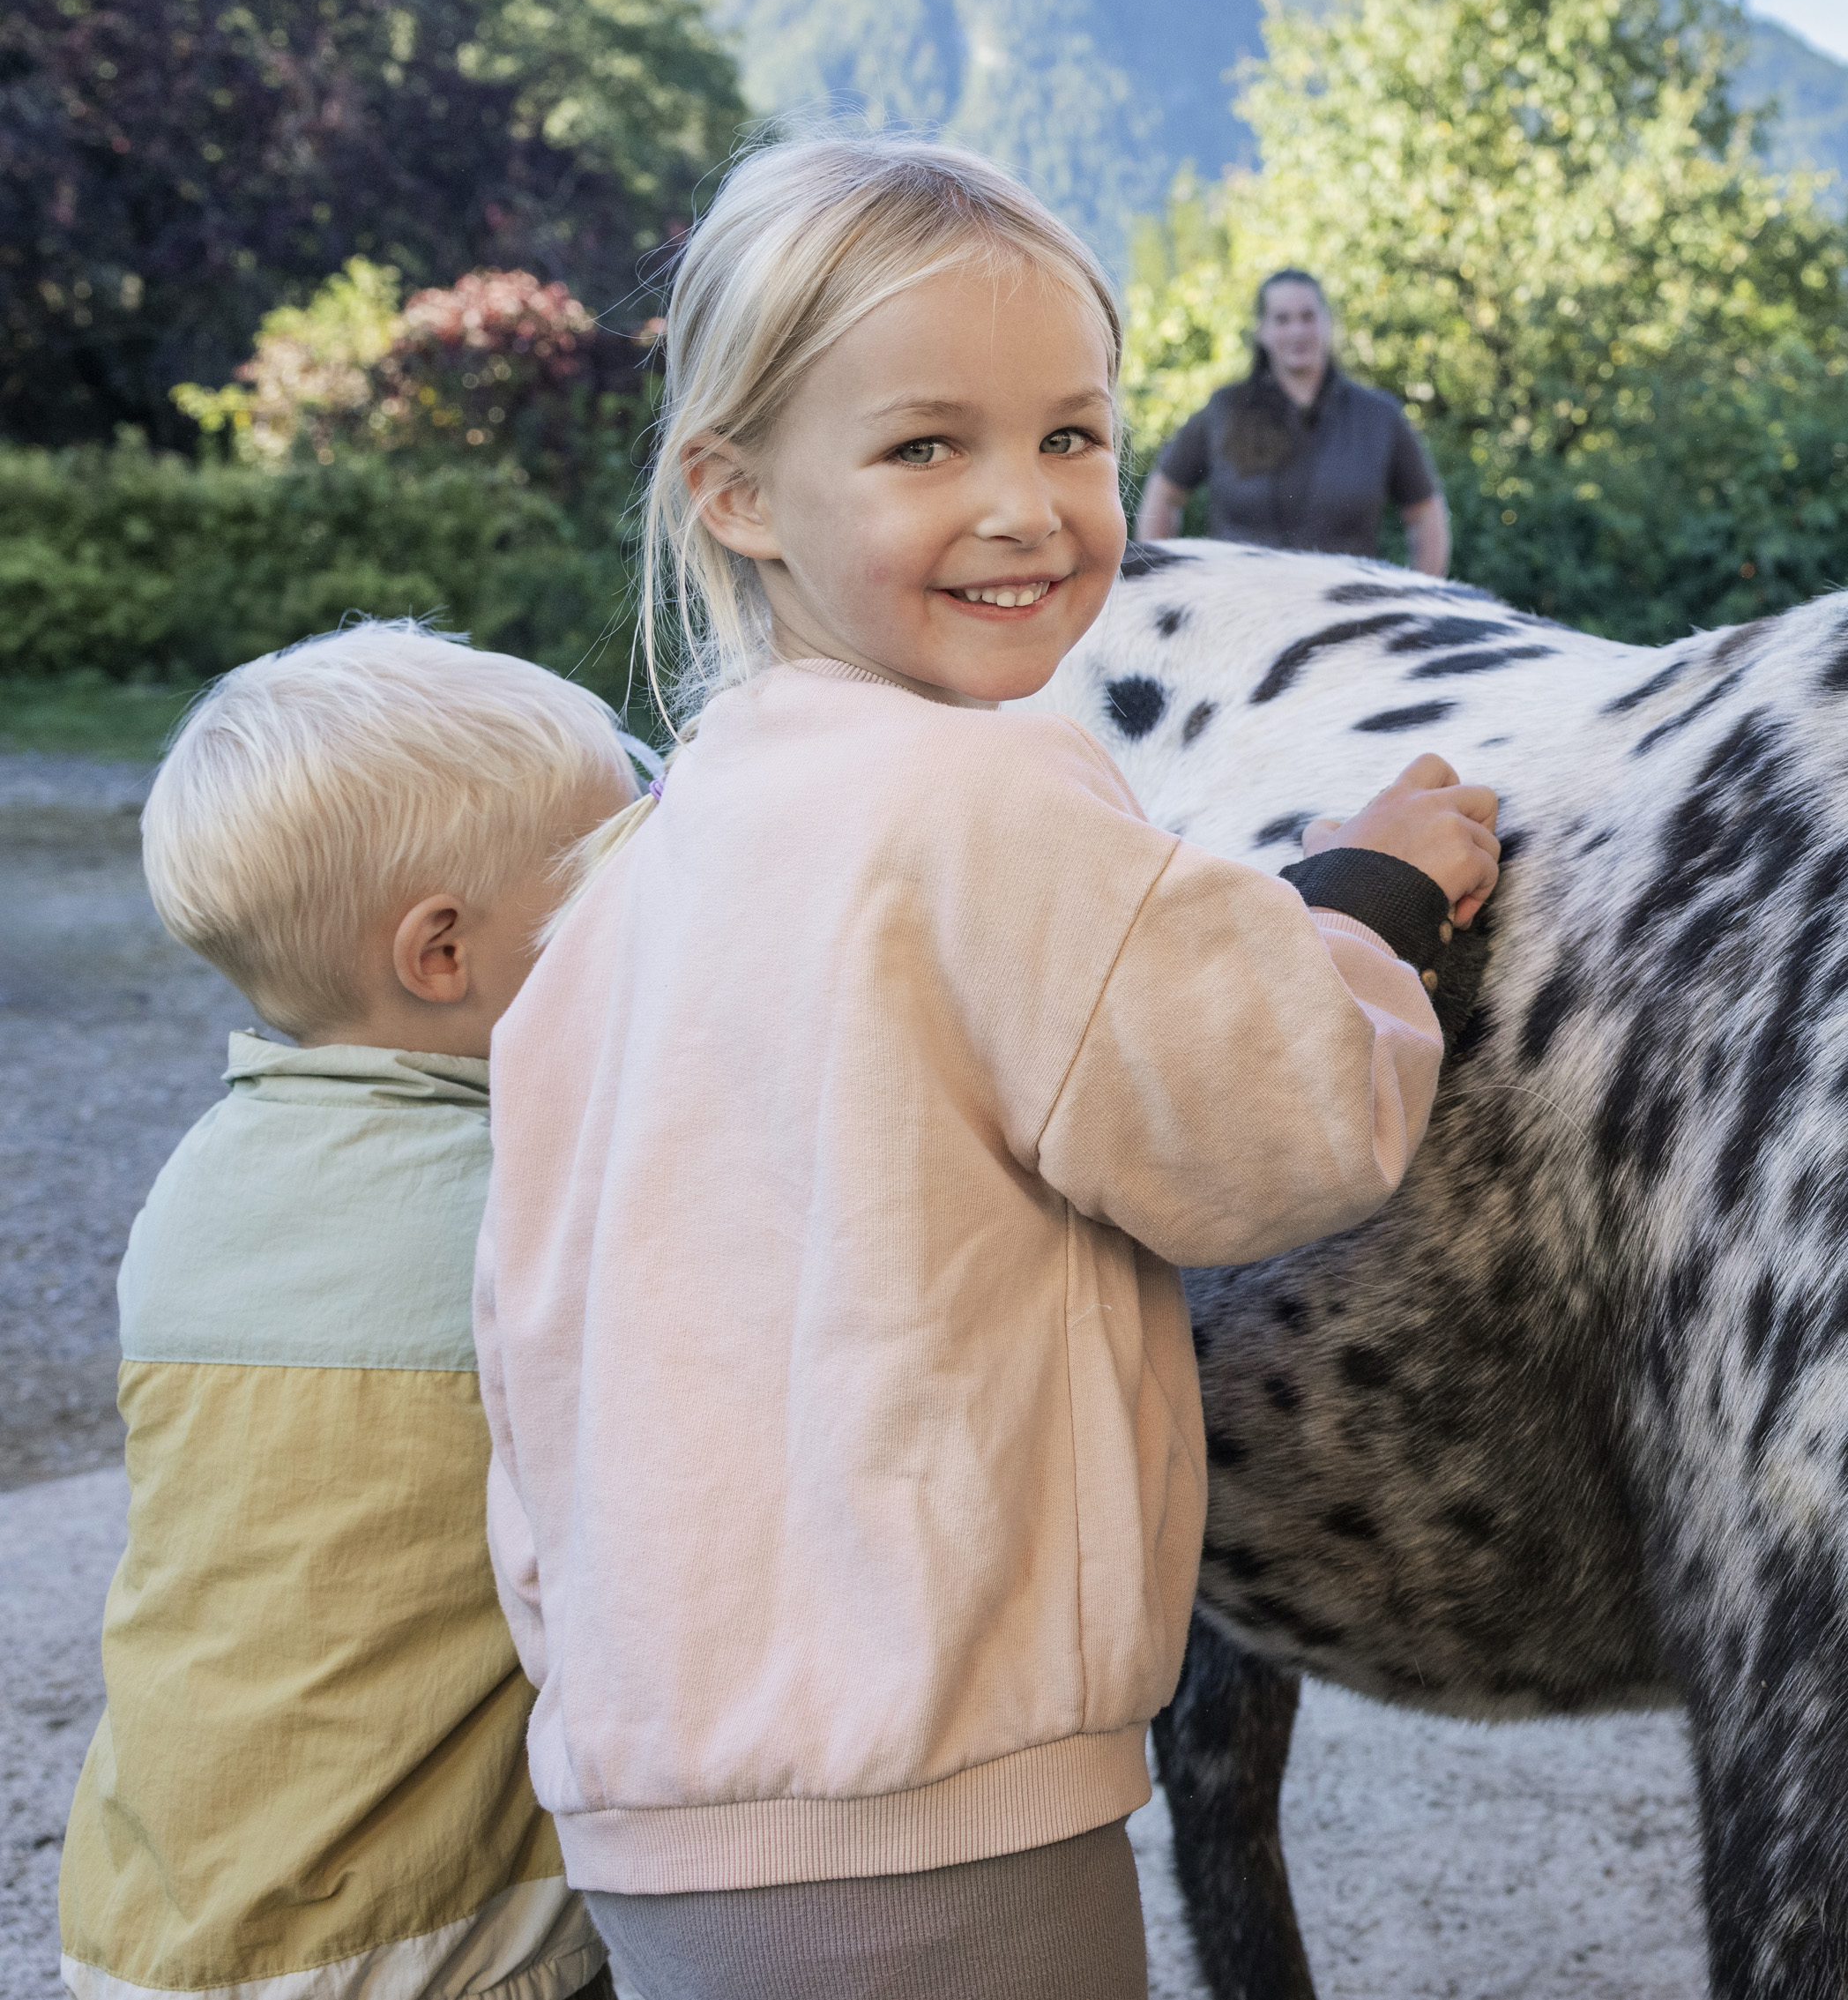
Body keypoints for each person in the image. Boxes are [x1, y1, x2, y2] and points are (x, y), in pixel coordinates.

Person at [476, 136, 1499, 2000]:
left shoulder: (632, 874)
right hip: (936, 1797)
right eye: (926, 446)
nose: (1029, 507)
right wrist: (1368, 901)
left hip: (655, 1791)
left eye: (1074, 437)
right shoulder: (987, 789)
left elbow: (527, 1316)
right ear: (736, 490)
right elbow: (1272, 1121)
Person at [61, 621, 638, 2000]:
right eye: (607, 907)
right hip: (432, 1940)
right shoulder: (534, 1214)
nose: (642, 935)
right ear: (444, 955)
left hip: (148, 1921)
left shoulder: (201, 1184)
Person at [1136, 267, 1450, 572]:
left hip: (1344, 615)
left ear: (1327, 323)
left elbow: (1425, 514)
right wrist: (1161, 586)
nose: (1297, 331)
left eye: (1308, 317)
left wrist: (1417, 602)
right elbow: (1164, 496)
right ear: (1262, 330)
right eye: (1282, 319)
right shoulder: (1224, 410)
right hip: (1237, 614)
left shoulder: (1379, 416)